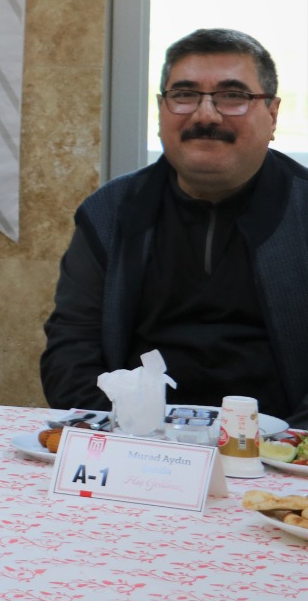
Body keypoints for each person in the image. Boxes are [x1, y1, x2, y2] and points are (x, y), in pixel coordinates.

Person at [42, 28, 308, 425]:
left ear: (272, 113)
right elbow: (71, 353)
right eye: (184, 95)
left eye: (232, 96)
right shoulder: (110, 214)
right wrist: (124, 436)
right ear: (161, 110)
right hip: (135, 440)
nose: (206, 115)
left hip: (277, 446)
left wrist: (288, 446)